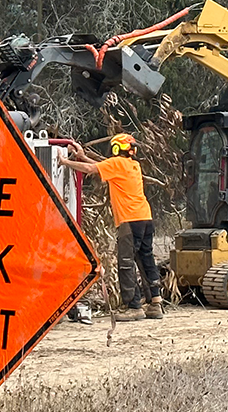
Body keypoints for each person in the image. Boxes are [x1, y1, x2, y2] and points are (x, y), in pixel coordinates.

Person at [59, 134, 164, 322]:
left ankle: (134, 306)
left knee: (125, 262)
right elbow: (101, 169)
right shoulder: (133, 165)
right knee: (145, 258)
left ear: (116, 148)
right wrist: (81, 156)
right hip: (145, 218)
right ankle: (155, 302)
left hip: (130, 221)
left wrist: (64, 162)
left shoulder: (117, 163)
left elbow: (91, 169)